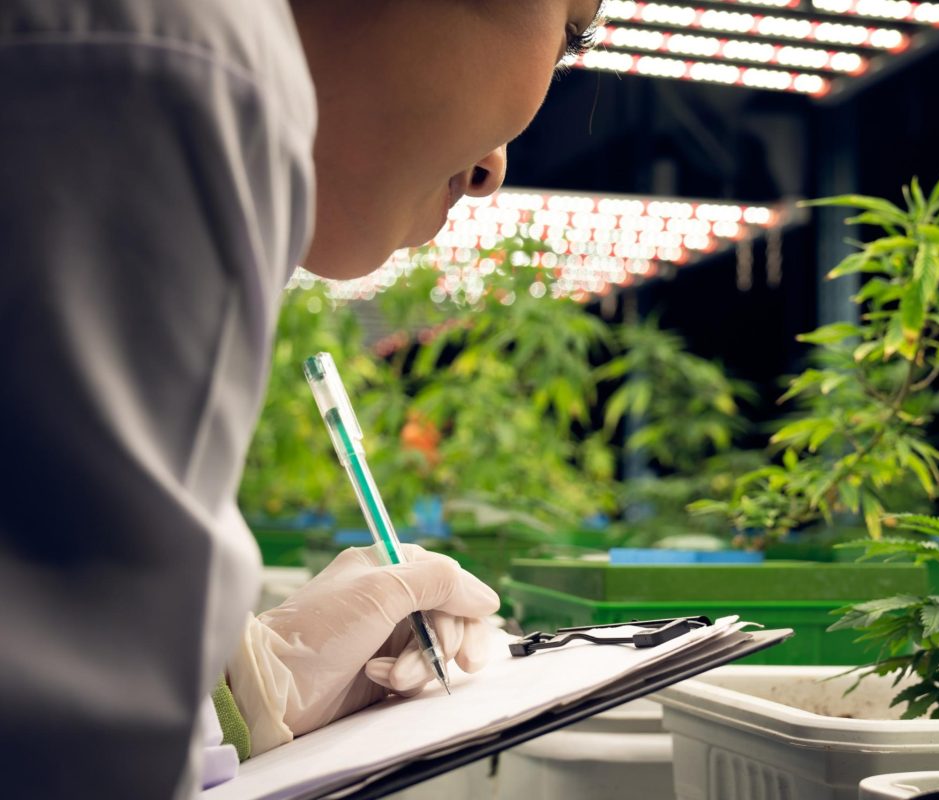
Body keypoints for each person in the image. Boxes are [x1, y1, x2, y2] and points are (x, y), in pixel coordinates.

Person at [0, 0, 604, 796]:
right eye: (570, 30)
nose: (494, 168)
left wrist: (253, 688)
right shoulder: (175, 64)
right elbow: (71, 761)